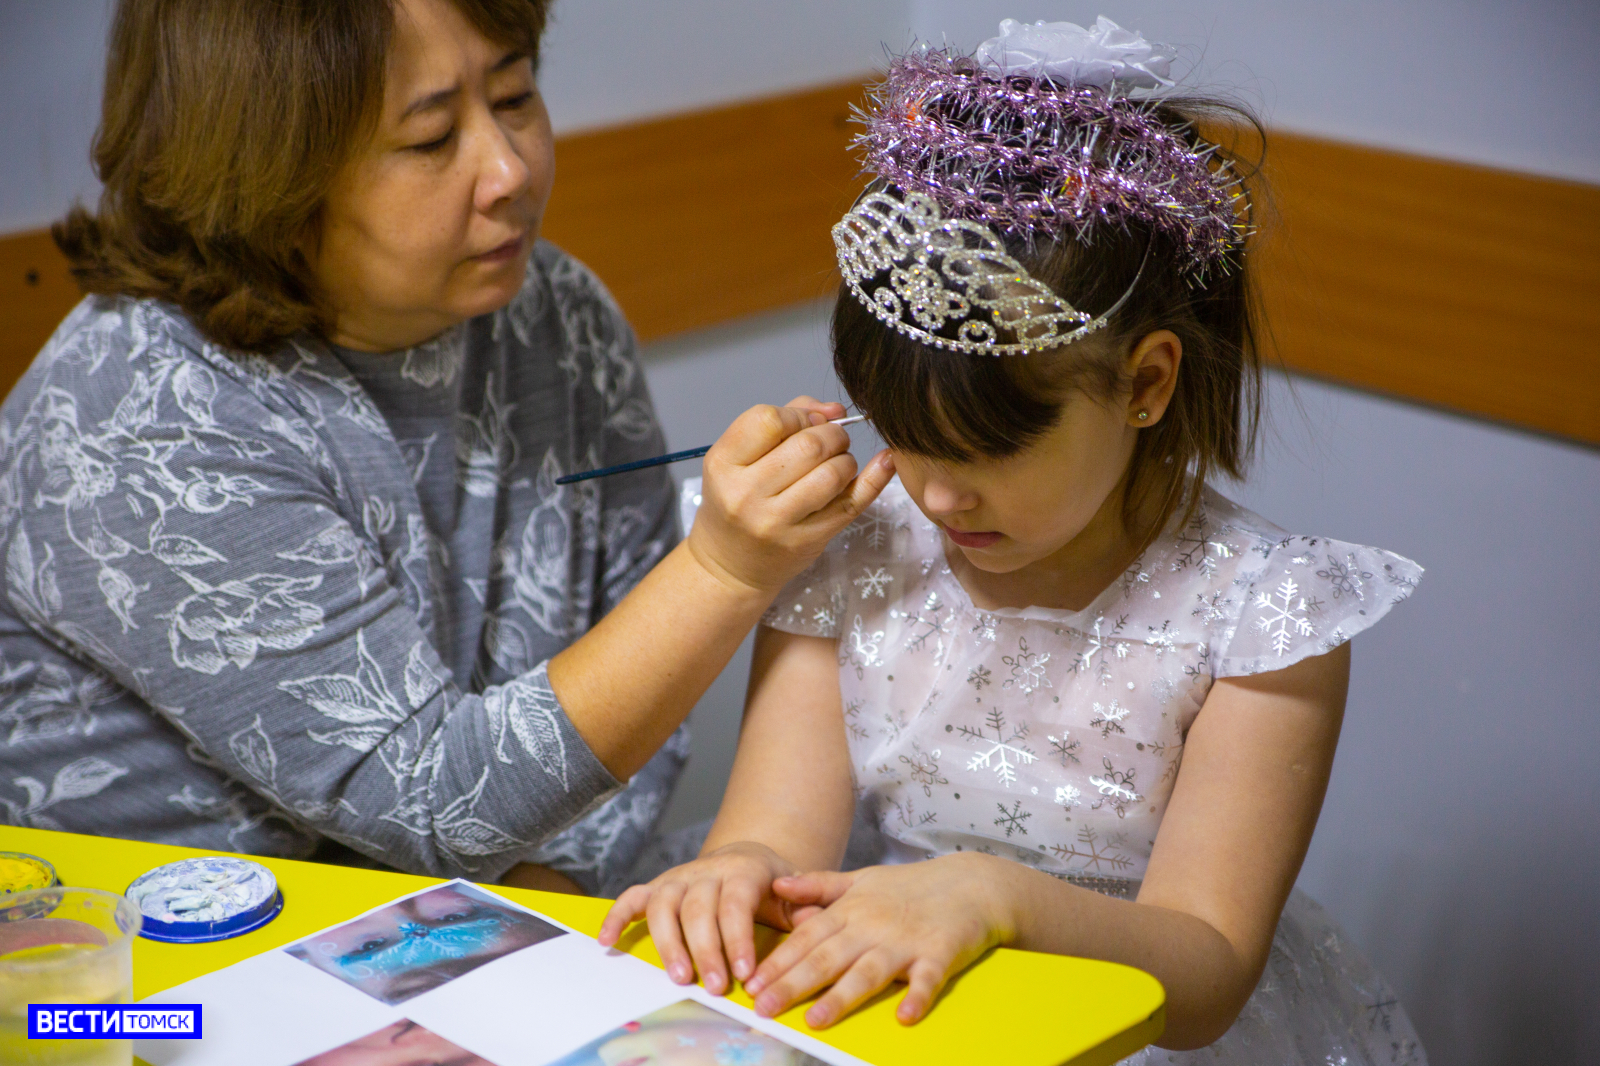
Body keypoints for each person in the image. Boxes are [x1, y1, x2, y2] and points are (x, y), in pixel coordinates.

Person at [600, 19, 1428, 1065]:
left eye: (987, 446)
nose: (937, 495)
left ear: (1144, 383)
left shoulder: (1265, 613)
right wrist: (734, 873)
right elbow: (769, 834)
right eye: (903, 440)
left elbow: (1208, 969)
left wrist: (998, 899)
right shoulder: (857, 550)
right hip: (906, 1012)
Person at [0, 0, 891, 896]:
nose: (510, 169)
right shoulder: (143, 411)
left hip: (508, 912)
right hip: (154, 971)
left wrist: (554, 906)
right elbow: (434, 805)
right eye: (431, 140)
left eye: (515, 97)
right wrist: (724, 573)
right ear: (270, 177)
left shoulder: (555, 313)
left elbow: (641, 710)